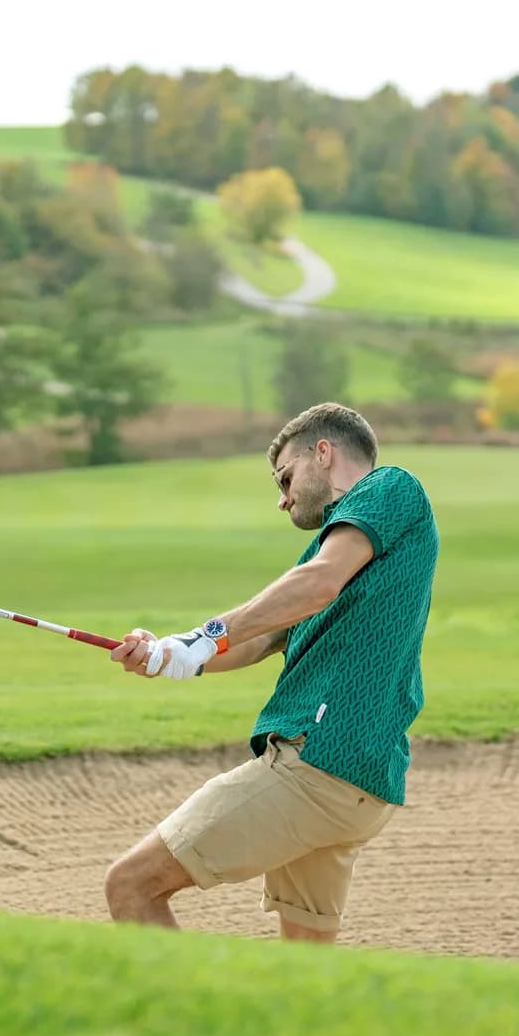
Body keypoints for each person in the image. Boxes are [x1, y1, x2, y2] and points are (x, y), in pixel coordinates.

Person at [104, 402, 438, 943]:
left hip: (317, 764)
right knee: (303, 966)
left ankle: (193, 1029)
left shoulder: (388, 488)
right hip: (359, 782)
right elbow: (258, 639)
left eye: (286, 477)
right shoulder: (337, 550)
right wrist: (168, 654)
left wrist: (203, 638)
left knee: (130, 887)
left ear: (324, 454)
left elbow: (317, 583)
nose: (282, 499)